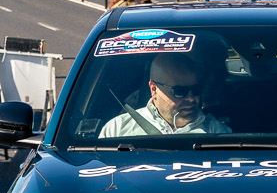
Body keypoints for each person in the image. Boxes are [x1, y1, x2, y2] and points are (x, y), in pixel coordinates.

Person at [98, 53, 232, 137]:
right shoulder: (118, 129)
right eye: (180, 91)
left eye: (196, 89)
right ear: (154, 89)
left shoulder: (218, 133)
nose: (191, 98)